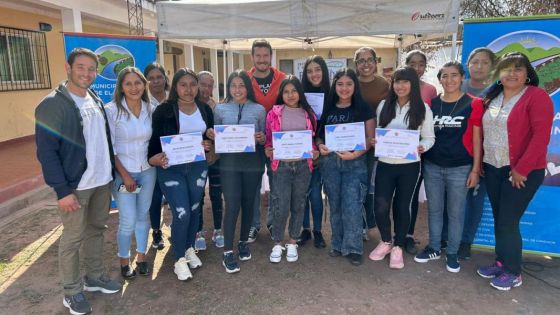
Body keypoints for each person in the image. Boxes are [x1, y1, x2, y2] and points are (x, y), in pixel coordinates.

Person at [35, 48, 121, 315]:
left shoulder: (93, 97)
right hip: (75, 187)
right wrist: (62, 190)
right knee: (72, 238)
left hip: (101, 181)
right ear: (68, 68)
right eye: (81, 67)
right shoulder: (52, 104)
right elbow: (46, 152)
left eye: (92, 69)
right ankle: (72, 291)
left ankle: (94, 277)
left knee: (97, 230)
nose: (87, 73)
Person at [477, 52, 553, 291]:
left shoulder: (536, 97)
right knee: (501, 219)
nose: (512, 73)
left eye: (518, 69)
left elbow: (541, 137)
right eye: (507, 68)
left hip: (520, 172)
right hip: (493, 167)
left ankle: (513, 272)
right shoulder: (493, 97)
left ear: (528, 74)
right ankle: (501, 262)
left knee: (508, 221)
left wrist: (522, 169)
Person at [413, 61, 483, 273]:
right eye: (445, 76)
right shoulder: (431, 105)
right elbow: (422, 134)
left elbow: (477, 139)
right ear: (440, 79)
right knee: (434, 210)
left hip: (460, 168)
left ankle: (452, 252)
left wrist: (475, 170)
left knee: (455, 212)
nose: (449, 80)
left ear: (462, 78)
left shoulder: (474, 103)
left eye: (454, 75)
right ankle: (434, 247)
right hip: (432, 166)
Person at [147, 68, 214, 281]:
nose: (189, 89)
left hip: (196, 166)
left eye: (193, 84)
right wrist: (152, 159)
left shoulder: (204, 109)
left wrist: (208, 142)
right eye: (183, 85)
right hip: (171, 168)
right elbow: (154, 142)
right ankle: (178, 260)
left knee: (195, 209)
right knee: (182, 212)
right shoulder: (164, 110)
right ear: (175, 86)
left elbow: (209, 137)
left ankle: (188, 248)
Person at [369, 67, 435, 269]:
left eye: (405, 82)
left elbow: (429, 137)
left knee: (402, 206)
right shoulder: (383, 106)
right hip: (385, 164)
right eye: (397, 81)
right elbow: (380, 133)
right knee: (380, 205)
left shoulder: (423, 108)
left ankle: (398, 246)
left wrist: (423, 146)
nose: (400, 86)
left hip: (409, 166)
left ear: (413, 84)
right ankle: (386, 241)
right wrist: (375, 141)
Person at [206, 69, 266, 273]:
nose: (237, 89)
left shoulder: (259, 109)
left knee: (249, 203)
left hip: (252, 162)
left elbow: (265, 135)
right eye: (233, 85)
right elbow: (215, 136)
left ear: (248, 87)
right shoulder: (221, 109)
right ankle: (228, 252)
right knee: (232, 205)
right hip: (229, 163)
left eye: (241, 85)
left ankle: (242, 243)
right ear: (228, 88)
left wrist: (262, 138)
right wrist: (212, 133)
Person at [316, 68, 375, 266]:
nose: (344, 88)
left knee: (352, 204)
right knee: (335, 204)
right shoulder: (329, 108)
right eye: (340, 84)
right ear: (335, 86)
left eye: (349, 84)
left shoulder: (364, 108)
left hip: (355, 163)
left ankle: (353, 247)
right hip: (330, 163)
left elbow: (370, 138)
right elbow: (319, 135)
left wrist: (356, 154)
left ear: (354, 86)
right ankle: (337, 244)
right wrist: (319, 145)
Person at [105, 67, 157, 279]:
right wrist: (125, 176)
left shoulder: (151, 108)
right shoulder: (111, 111)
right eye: (128, 83)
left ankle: (142, 257)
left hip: (147, 171)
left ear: (144, 85)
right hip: (122, 173)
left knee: (143, 216)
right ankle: (124, 261)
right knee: (127, 219)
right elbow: (111, 148)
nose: (134, 87)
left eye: (138, 83)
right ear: (121, 87)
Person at [265, 75, 318, 263]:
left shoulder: (308, 113)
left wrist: (315, 151)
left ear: (299, 93)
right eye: (286, 91)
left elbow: (312, 140)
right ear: (281, 94)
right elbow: (269, 139)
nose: (290, 95)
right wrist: (268, 149)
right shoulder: (274, 113)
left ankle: (293, 241)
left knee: (299, 203)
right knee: (281, 204)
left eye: (294, 91)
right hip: (281, 166)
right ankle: (278, 242)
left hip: (303, 166)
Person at [458, 47, 496, 260]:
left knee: (474, 200)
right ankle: (448, 238)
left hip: (482, 156)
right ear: (468, 64)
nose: (479, 66)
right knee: (453, 200)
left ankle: (466, 241)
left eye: (485, 63)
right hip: (456, 155)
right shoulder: (457, 85)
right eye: (475, 62)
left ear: (492, 67)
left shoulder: (496, 92)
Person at [247, 39, 286, 243]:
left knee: (276, 184)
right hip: (251, 141)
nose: (262, 59)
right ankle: (254, 224)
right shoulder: (244, 79)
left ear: (271, 56)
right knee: (253, 184)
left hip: (276, 141)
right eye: (258, 55)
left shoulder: (282, 79)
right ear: (252, 57)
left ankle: (273, 224)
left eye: (265, 55)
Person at [401, 49, 438, 254]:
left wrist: (423, 145)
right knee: (395, 197)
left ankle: (408, 234)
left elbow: (429, 124)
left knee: (412, 195)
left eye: (421, 64)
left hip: (417, 154)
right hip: (392, 154)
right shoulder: (396, 86)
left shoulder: (430, 90)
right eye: (412, 63)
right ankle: (396, 234)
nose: (416, 68)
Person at [354, 47, 390, 240]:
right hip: (353, 143)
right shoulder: (350, 83)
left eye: (370, 60)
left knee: (371, 185)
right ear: (356, 64)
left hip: (378, 143)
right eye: (361, 60)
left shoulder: (385, 84)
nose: (366, 64)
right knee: (357, 183)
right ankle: (359, 223)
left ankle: (369, 222)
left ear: (376, 62)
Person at [298, 55, 329, 248]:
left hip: (323, 152)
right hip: (302, 151)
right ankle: (305, 230)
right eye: (309, 71)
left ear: (324, 72)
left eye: (317, 70)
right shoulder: (300, 95)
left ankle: (318, 231)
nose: (314, 74)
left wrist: (320, 144)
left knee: (316, 195)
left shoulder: (332, 94)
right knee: (302, 194)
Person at [194, 71, 224, 250]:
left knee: (216, 194)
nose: (206, 88)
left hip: (215, 158)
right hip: (195, 160)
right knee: (198, 195)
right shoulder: (189, 105)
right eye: (202, 84)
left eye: (209, 85)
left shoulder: (217, 107)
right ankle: (198, 232)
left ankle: (218, 230)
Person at [144, 62, 169, 250]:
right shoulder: (143, 102)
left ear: (165, 78)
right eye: (151, 78)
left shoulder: (173, 99)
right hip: (152, 156)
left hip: (175, 155)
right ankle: (156, 231)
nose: (155, 81)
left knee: (175, 196)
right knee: (154, 197)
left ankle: (177, 229)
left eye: (159, 77)